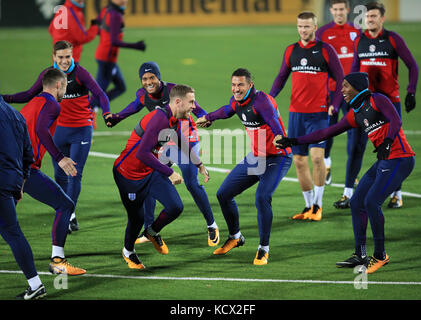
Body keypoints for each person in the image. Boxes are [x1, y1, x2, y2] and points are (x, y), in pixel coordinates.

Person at [275, 72, 415, 274]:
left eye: (346, 86)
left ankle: (381, 255)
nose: (342, 90)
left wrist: (388, 141)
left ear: (358, 87)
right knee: (357, 202)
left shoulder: (378, 100)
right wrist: (294, 141)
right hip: (385, 160)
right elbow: (326, 133)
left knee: (372, 202)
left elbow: (396, 120)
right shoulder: (356, 113)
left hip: (400, 159)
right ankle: (360, 254)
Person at [106, 61, 219, 247]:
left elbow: (198, 109)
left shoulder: (174, 91)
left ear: (159, 77)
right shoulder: (143, 95)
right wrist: (117, 118)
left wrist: (205, 117)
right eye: (144, 78)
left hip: (186, 139)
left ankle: (211, 224)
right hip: (166, 140)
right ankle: (150, 229)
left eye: (152, 77)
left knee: (191, 183)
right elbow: (134, 107)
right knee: (151, 175)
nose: (149, 82)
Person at [2, 41, 111, 233]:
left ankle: (69, 215)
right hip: (59, 130)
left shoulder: (80, 73)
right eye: (60, 57)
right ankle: (66, 210)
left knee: (75, 173)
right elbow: (28, 94)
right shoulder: (50, 76)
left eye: (68, 56)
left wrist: (106, 113)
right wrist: (5, 98)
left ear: (72, 56)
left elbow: (101, 94)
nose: (64, 61)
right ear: (53, 56)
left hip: (81, 129)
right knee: (59, 175)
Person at [196, 68, 293, 265]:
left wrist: (279, 137)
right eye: (233, 85)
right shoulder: (237, 101)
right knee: (223, 194)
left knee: (262, 197)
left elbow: (274, 121)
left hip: (277, 158)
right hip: (256, 158)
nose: (236, 89)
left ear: (250, 85)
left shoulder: (262, 101)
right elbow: (226, 110)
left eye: (240, 84)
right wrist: (209, 117)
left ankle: (263, 248)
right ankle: (235, 237)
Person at [113, 84, 210, 269]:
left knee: (175, 206)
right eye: (191, 102)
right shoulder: (160, 118)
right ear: (178, 102)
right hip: (128, 174)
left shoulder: (173, 118)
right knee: (137, 218)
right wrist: (170, 172)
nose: (194, 106)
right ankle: (128, 251)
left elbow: (180, 141)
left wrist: (199, 164)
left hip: (149, 171)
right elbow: (142, 153)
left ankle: (152, 232)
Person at [269, 11, 344, 221]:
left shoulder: (325, 50)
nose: (303, 30)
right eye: (300, 26)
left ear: (315, 26)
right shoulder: (291, 51)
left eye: (307, 26)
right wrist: (269, 98)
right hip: (296, 114)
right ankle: (308, 205)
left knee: (317, 158)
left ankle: (318, 206)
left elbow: (340, 79)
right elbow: (281, 78)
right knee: (299, 160)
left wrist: (335, 105)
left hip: (319, 114)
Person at [19, 68, 87, 275]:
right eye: (65, 86)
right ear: (58, 85)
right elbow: (41, 129)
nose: (65, 90)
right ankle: (58, 261)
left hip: (14, 166)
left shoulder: (33, 103)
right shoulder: (52, 104)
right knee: (65, 205)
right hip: (24, 168)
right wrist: (60, 158)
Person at [351, 1, 419, 208]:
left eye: (373, 16)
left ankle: (397, 194)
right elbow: (354, 71)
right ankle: (351, 191)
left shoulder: (393, 39)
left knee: (394, 148)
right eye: (367, 17)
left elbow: (412, 65)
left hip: (390, 103)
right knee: (360, 146)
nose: (369, 20)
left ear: (382, 18)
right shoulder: (359, 41)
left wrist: (411, 92)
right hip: (366, 105)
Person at [316, 0, 365, 208]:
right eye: (334, 9)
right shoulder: (323, 33)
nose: (338, 12)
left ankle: (351, 178)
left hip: (352, 93)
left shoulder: (356, 32)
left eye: (341, 9)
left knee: (354, 136)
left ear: (347, 10)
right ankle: (326, 162)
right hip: (330, 91)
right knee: (328, 130)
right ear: (331, 11)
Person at [0, 95, 46, 300]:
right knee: (12, 231)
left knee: (11, 231)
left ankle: (35, 284)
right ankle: (35, 285)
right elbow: (29, 154)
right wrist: (21, 184)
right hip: (13, 179)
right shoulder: (16, 116)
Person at [90, 0, 147, 123]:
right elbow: (114, 41)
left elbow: (96, 24)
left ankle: (93, 109)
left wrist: (102, 34)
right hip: (107, 59)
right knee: (99, 91)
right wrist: (136, 46)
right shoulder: (115, 15)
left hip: (105, 56)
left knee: (120, 87)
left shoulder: (107, 10)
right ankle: (86, 117)